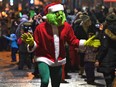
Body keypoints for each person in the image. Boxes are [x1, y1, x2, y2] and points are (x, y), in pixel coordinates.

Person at [21, 2, 99, 87]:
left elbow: (72, 40)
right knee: (44, 81)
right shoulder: (40, 28)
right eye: (56, 13)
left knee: (56, 84)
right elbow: (37, 44)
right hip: (43, 57)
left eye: (61, 13)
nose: (60, 15)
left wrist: (86, 42)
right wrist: (32, 43)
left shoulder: (66, 27)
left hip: (58, 59)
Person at [95, 13, 116, 87]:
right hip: (114, 58)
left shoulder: (106, 32)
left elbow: (104, 47)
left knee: (108, 80)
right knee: (113, 78)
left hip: (108, 58)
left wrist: (98, 59)